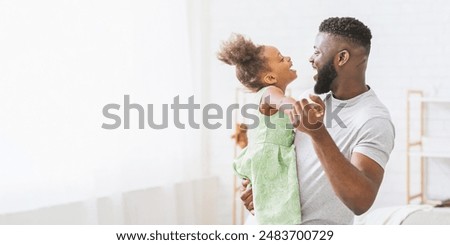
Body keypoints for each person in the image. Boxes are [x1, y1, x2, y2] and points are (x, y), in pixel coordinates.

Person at [240, 17, 395, 225]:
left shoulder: (373, 119)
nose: (310, 59)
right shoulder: (308, 98)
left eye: (317, 52)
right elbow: (279, 155)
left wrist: (318, 133)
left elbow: (361, 201)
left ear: (341, 58)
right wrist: (260, 185)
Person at [217, 34, 323, 224]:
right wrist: (300, 109)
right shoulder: (270, 92)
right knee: (279, 208)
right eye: (281, 58)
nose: (288, 58)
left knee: (269, 204)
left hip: (264, 157)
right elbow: (282, 102)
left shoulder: (263, 95)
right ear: (271, 77)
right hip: (270, 158)